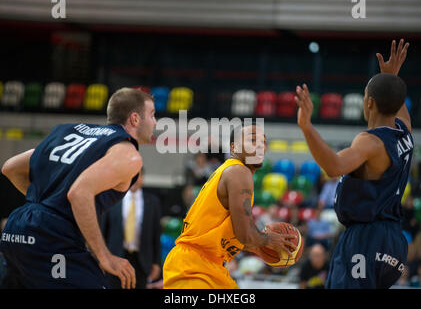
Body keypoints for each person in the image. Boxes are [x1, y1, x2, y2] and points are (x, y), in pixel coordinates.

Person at [0, 87, 156, 289]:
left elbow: (10, 167)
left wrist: (48, 203)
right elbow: (79, 193)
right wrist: (105, 256)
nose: (155, 122)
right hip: (52, 235)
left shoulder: (70, 132)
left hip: (16, 228)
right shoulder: (128, 155)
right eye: (152, 115)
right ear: (135, 119)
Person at [294, 39, 412, 289]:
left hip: (365, 238)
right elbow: (394, 98)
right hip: (393, 241)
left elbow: (334, 167)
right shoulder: (405, 131)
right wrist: (391, 78)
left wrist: (307, 127)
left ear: (369, 102)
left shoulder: (370, 142)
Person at [163, 123, 298, 289]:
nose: (260, 145)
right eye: (252, 140)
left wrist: (258, 246)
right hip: (194, 267)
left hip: (210, 265)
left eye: (263, 142)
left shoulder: (232, 172)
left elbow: (234, 234)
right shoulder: (239, 172)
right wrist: (269, 240)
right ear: (234, 146)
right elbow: (245, 235)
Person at [101, 167, 162, 289]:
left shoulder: (153, 202)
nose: (134, 180)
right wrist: (102, 258)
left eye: (137, 176)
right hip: (116, 257)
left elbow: (156, 234)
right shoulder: (113, 199)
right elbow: (103, 231)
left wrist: (156, 262)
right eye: (131, 176)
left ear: (143, 179)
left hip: (142, 261)